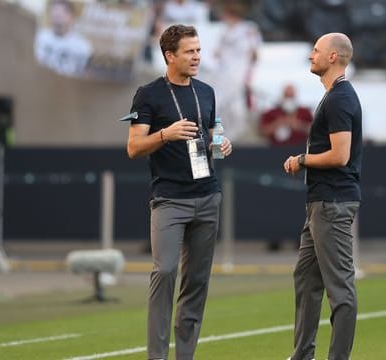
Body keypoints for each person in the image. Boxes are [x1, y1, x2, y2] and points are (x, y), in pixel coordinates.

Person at [125, 24, 232, 360]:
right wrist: (165, 134)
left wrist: (221, 143)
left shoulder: (207, 91)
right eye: (190, 51)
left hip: (207, 195)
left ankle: (184, 355)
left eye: (198, 50)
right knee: (165, 271)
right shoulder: (149, 94)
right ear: (170, 56)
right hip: (170, 199)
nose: (197, 57)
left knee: (196, 283)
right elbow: (133, 147)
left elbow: (212, 134)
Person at [283, 32, 362, 360]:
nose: (311, 55)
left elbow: (340, 155)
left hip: (331, 202)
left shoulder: (339, 98)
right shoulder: (333, 96)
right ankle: (302, 355)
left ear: (333, 57)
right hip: (321, 202)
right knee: (305, 277)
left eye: (316, 50)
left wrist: (301, 160)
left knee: (340, 288)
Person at [210, 0, 262, 141]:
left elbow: (255, 53)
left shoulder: (249, 28)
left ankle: (228, 140)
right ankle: (218, 140)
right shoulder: (224, 31)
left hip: (239, 72)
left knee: (237, 110)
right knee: (219, 106)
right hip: (223, 74)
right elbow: (216, 53)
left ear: (232, 15)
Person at [34, 0, 93, 77]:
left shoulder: (83, 47)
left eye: (64, 10)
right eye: (55, 9)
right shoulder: (40, 37)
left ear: (73, 16)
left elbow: (85, 74)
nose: (58, 14)